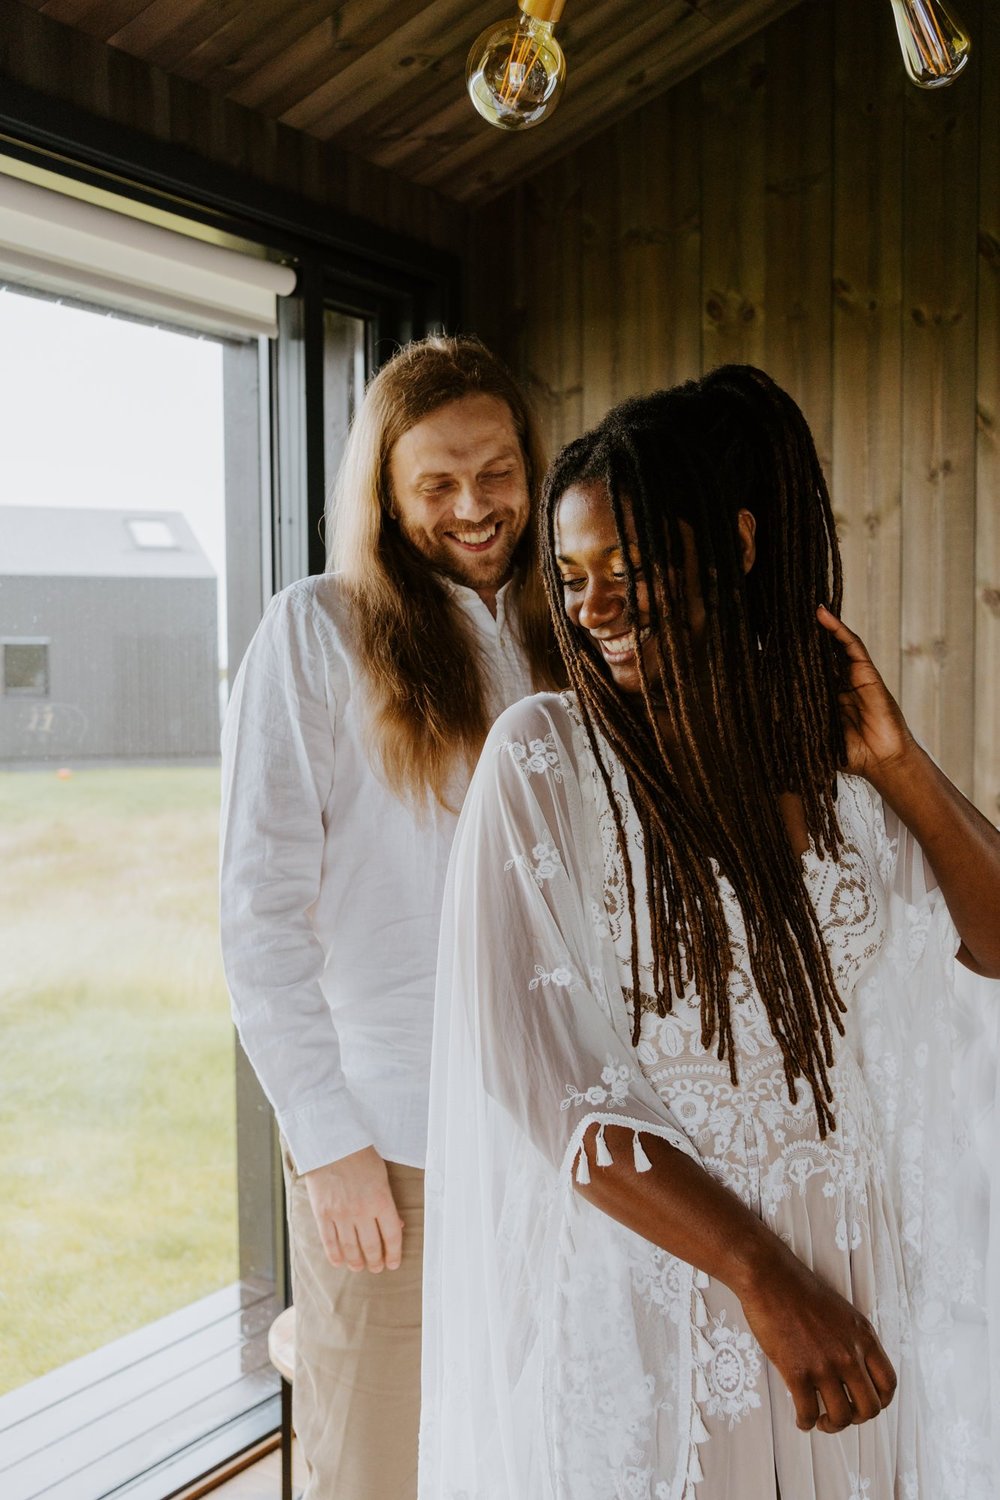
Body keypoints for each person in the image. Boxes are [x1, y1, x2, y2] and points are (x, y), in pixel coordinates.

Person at [420, 365, 1000, 1500]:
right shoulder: (545, 764)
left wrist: (900, 766)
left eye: (626, 570)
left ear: (735, 545)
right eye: (572, 576)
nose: (590, 609)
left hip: (864, 1296)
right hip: (673, 1307)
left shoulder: (831, 769)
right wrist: (763, 1278)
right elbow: (549, 1083)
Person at [219, 335, 561, 1500]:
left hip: (542, 1137)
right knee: (374, 1470)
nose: (476, 507)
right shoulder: (315, 632)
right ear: (387, 492)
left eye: (498, 471)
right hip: (389, 1141)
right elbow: (255, 916)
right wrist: (328, 1146)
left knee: (513, 1449)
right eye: (439, 484)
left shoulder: (553, 637)